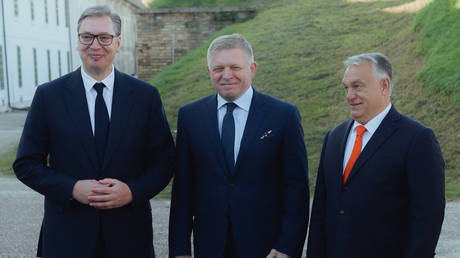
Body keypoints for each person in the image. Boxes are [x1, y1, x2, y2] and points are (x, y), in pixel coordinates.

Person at [13, 5, 174, 258]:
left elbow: (164, 163)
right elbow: (26, 164)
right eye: (86, 37)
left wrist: (132, 191)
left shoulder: (146, 97)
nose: (94, 45)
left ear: (118, 43)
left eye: (104, 38)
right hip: (67, 236)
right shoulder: (48, 96)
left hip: (129, 237)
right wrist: (72, 188)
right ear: (78, 42)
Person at [168, 33, 309, 258]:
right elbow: (184, 189)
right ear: (208, 72)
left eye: (235, 67)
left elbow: (296, 189)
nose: (227, 75)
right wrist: (180, 249)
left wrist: (287, 246)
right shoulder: (190, 116)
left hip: (267, 246)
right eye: (218, 68)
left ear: (252, 68)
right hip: (210, 245)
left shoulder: (283, 115)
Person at [307, 53, 445, 258]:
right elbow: (320, 211)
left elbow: (427, 219)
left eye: (357, 86)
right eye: (346, 87)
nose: (349, 95)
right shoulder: (333, 138)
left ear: (384, 86)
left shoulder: (417, 139)